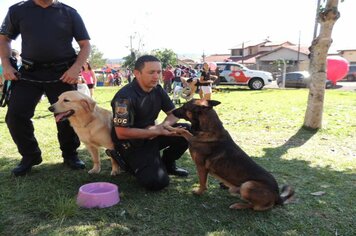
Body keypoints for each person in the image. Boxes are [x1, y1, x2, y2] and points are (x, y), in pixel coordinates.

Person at [0, 0, 91, 176]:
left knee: (67, 115)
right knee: (15, 115)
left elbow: (85, 45)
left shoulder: (69, 12)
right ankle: (30, 155)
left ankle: (70, 154)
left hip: (63, 73)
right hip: (28, 73)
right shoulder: (17, 10)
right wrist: (6, 64)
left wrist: (75, 68)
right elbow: (4, 39)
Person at [110, 55, 190, 191]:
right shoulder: (124, 98)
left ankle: (168, 164)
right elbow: (122, 133)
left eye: (159, 72)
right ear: (137, 73)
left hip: (152, 133)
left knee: (186, 131)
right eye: (151, 72)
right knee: (156, 182)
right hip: (131, 143)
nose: (156, 76)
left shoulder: (158, 90)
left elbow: (175, 114)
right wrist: (155, 131)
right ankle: (124, 161)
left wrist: (163, 126)